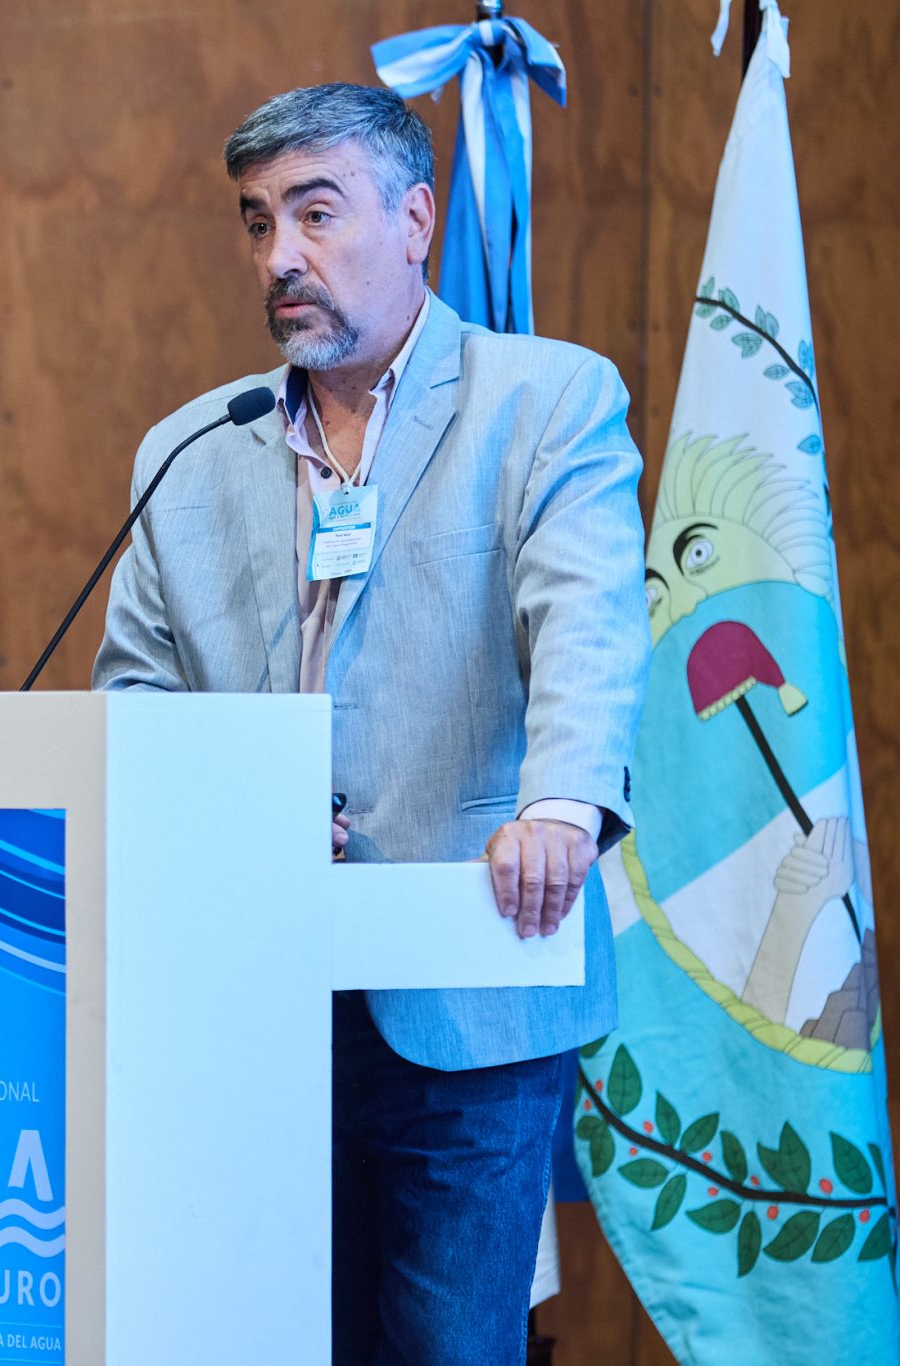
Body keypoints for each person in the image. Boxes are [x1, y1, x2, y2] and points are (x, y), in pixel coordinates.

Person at [92, 82, 650, 1364]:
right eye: (256, 222)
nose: (278, 256)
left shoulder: (543, 402)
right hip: (254, 1002)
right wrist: (231, 813)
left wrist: (558, 808)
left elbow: (587, 624)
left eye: (314, 212)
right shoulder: (189, 450)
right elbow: (133, 702)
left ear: (414, 220)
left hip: (464, 988)